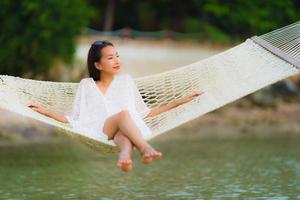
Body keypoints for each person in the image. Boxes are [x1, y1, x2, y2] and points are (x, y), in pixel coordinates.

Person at [27, 40, 204, 172]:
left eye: (117, 56)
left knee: (123, 127)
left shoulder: (126, 81)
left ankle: (124, 158)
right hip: (99, 130)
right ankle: (145, 148)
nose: (117, 60)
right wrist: (45, 111)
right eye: (110, 58)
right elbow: (73, 118)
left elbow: (145, 113)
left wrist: (182, 100)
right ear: (98, 64)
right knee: (124, 115)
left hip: (125, 128)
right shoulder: (87, 85)